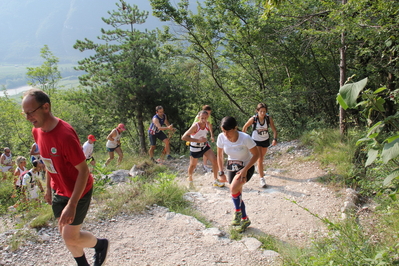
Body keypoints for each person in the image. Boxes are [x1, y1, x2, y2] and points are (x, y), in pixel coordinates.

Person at [21, 88, 109, 266]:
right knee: (66, 235)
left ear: (45, 107)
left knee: (70, 236)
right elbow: (48, 163)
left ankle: (100, 245)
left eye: (31, 112)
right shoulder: (37, 131)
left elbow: (84, 171)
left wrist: (72, 204)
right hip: (59, 189)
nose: (28, 117)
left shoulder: (65, 135)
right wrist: (48, 189)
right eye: (25, 113)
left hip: (78, 189)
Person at [217, 116, 259, 232]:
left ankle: (237, 213)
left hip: (246, 166)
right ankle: (245, 219)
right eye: (223, 131)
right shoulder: (221, 137)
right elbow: (219, 155)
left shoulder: (245, 138)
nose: (225, 134)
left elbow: (256, 155)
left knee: (233, 188)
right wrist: (221, 172)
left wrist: (245, 169)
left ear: (235, 128)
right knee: (237, 193)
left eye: (228, 131)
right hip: (232, 166)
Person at [182, 110, 224, 187]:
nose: (204, 120)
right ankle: (190, 180)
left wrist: (211, 137)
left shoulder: (208, 124)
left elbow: (209, 132)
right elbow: (184, 137)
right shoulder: (195, 126)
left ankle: (215, 180)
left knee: (214, 161)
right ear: (198, 118)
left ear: (207, 117)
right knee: (193, 165)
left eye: (205, 118)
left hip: (204, 146)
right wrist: (198, 140)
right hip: (195, 147)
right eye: (202, 118)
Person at [242, 103, 278, 188]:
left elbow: (274, 129)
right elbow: (245, 127)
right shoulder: (253, 119)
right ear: (257, 111)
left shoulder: (268, 119)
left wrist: (275, 139)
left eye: (264, 111)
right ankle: (262, 179)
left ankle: (259, 169)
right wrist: (244, 139)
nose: (262, 113)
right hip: (256, 141)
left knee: (262, 157)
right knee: (260, 158)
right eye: (261, 111)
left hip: (265, 140)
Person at [192, 105, 214, 172]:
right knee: (195, 152)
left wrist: (211, 135)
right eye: (207, 113)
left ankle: (205, 166)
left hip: (203, 136)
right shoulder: (199, 117)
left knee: (206, 149)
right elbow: (194, 126)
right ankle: (193, 167)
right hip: (196, 135)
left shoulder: (209, 117)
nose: (208, 115)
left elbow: (210, 125)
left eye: (209, 113)